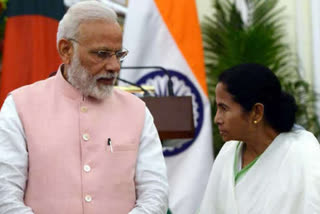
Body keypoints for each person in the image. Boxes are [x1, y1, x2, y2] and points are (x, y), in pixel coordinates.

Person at [0, 1, 168, 214]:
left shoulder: (137, 111)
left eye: (119, 54)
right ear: (66, 50)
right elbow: (5, 195)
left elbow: (155, 193)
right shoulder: (20, 106)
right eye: (102, 54)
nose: (115, 66)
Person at [199, 63, 320, 214]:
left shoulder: (303, 153)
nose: (217, 119)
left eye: (224, 108)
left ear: (256, 112)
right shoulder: (228, 153)